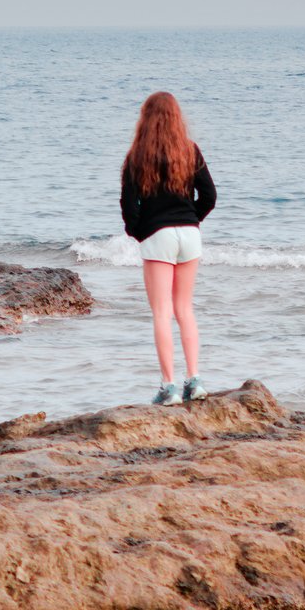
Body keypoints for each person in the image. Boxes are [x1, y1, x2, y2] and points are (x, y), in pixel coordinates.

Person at [119, 90, 216, 404]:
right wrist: (192, 220)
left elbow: (129, 207)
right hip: (189, 235)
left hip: (158, 236)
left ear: (145, 120)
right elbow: (210, 196)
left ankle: (168, 387)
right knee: (185, 310)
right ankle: (195, 380)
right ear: (177, 118)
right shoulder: (190, 151)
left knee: (162, 313)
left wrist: (141, 233)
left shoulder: (137, 156)